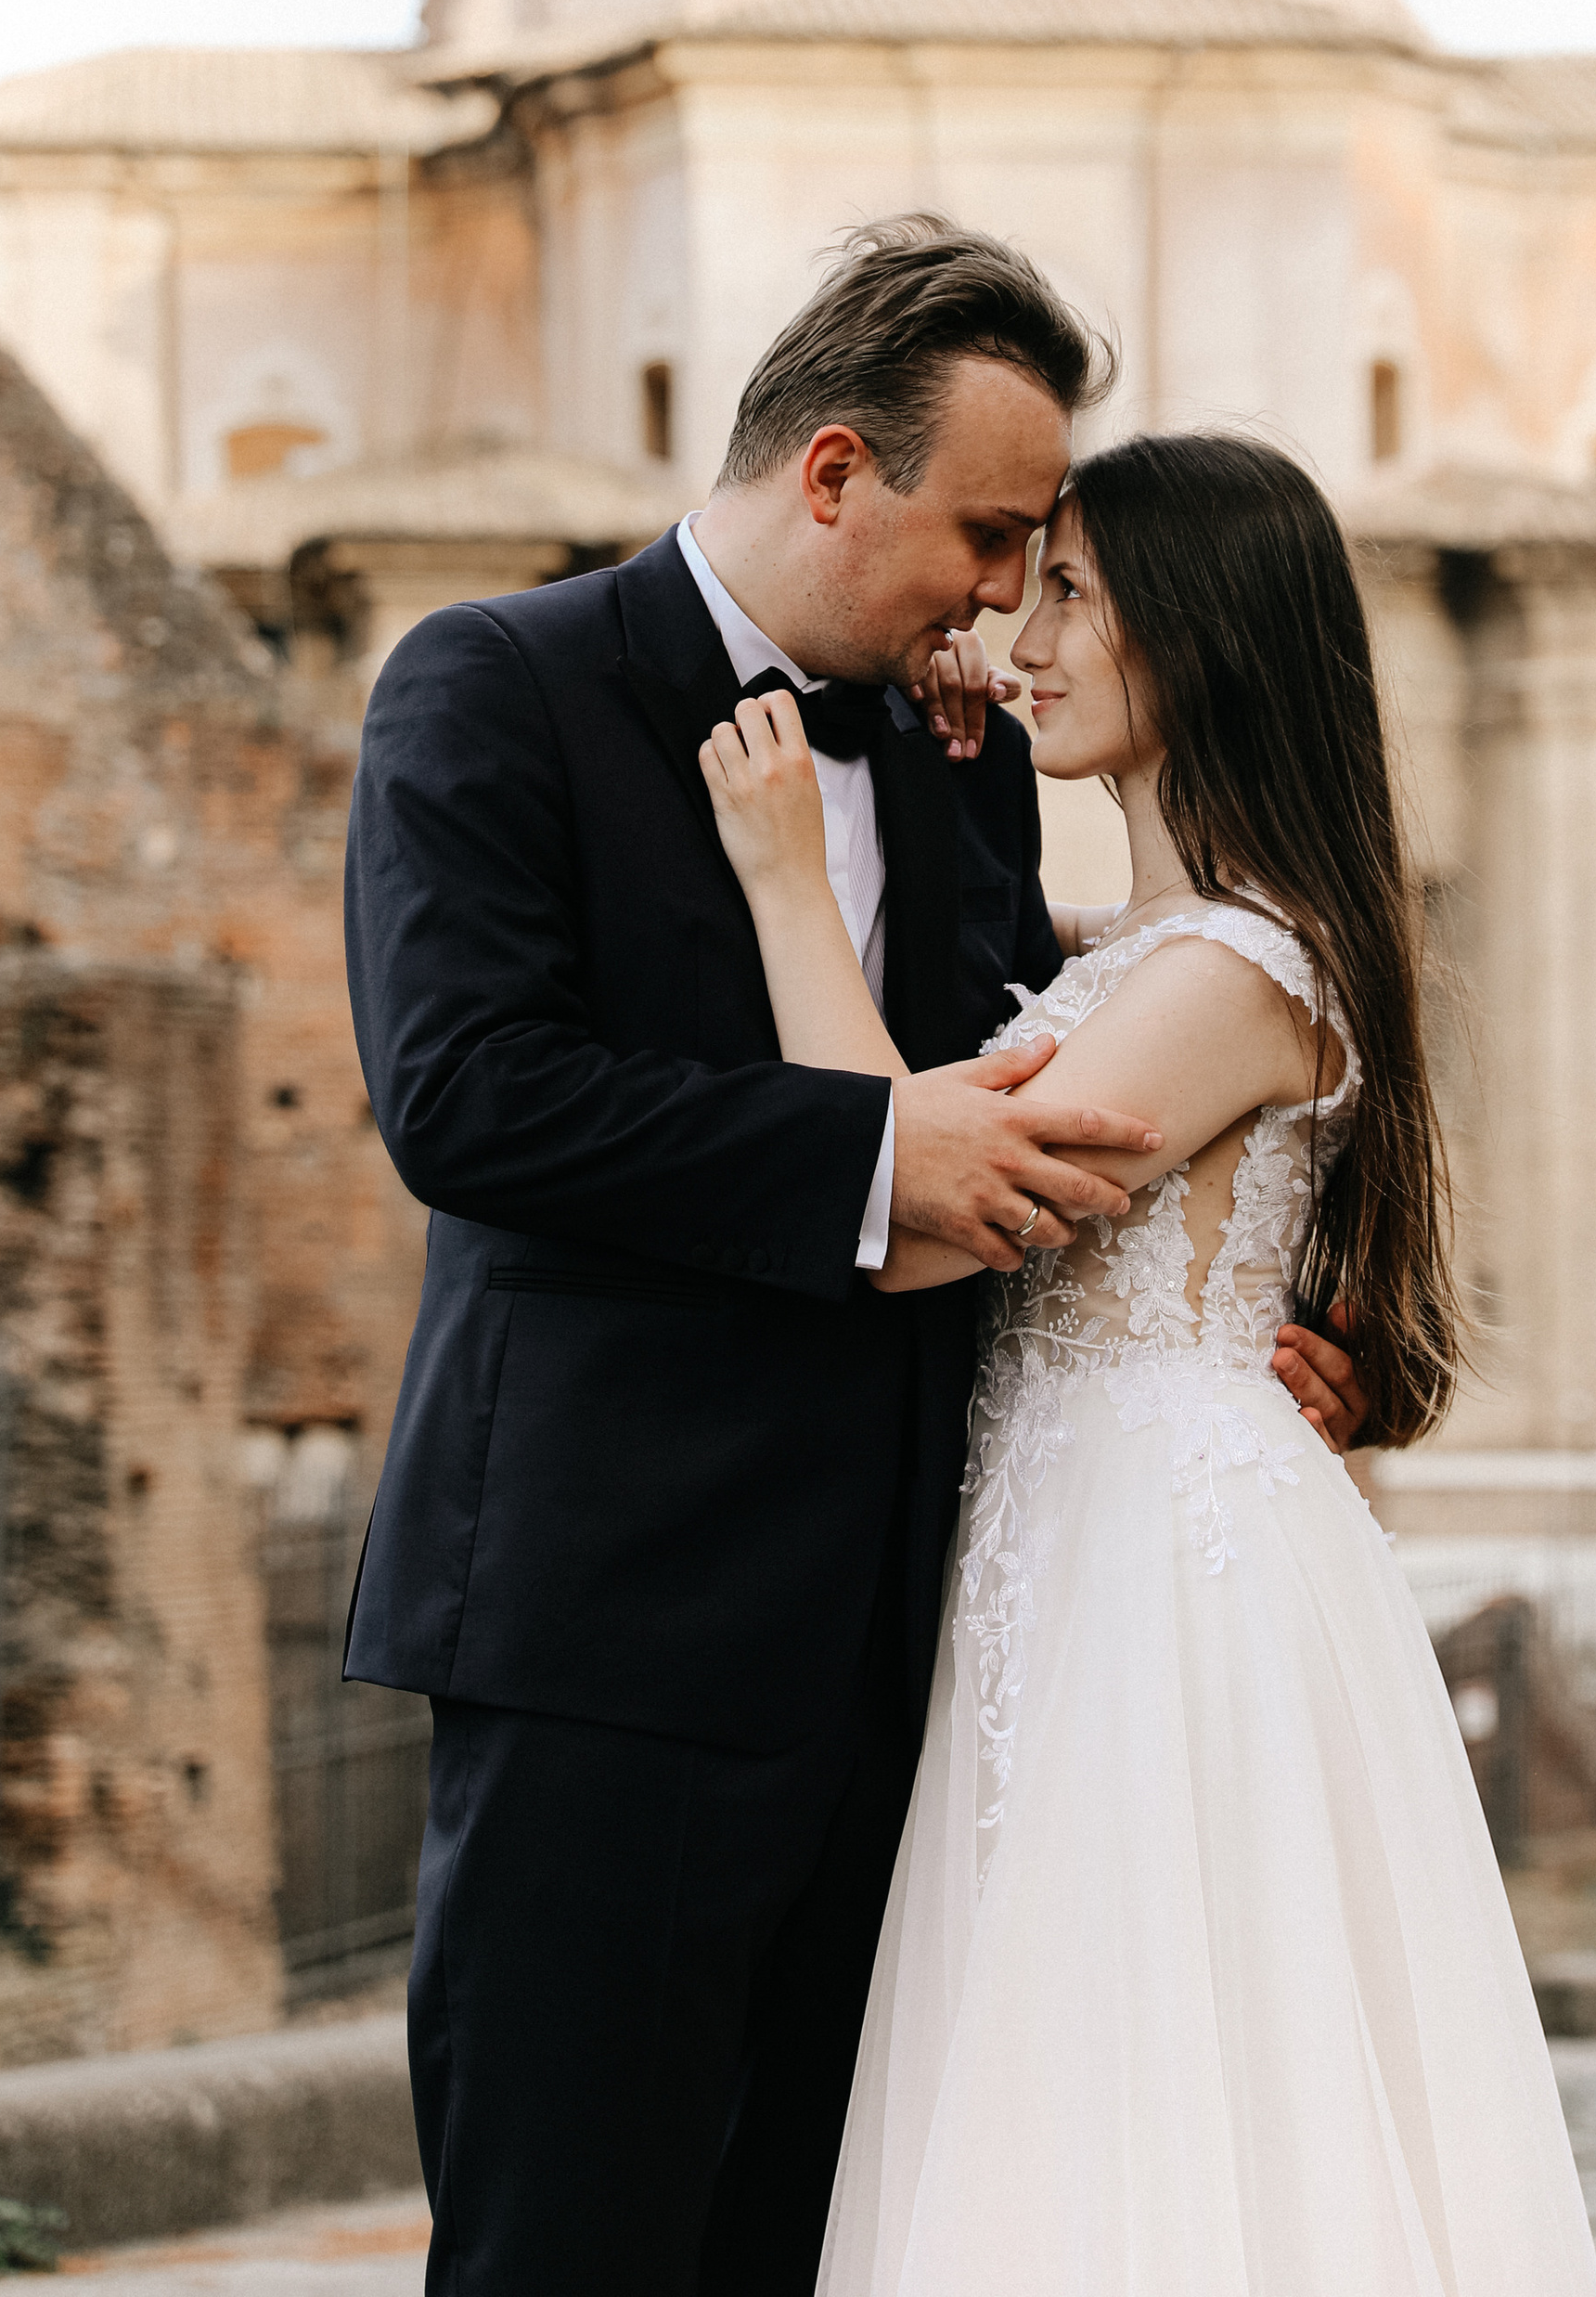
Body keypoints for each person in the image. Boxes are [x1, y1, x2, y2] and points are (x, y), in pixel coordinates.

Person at [341, 222, 1368, 2297]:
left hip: (932, 1653)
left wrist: (1250, 1343)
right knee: (568, 2242)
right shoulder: (497, 684)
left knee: (833, 2242)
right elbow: (466, 1095)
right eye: (990, 533)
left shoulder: (948, 750)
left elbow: (1098, 1085)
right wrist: (864, 1147)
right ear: (831, 474)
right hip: (614, 1633)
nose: (1006, 596)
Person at [700, 429, 1596, 2297]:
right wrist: (949, 788)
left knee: (1140, 2068)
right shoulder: (1144, 952)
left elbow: (931, 1215)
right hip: (1068, 1542)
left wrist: (787, 882)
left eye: (1071, 597)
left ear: (1197, 637)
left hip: (1154, 1577)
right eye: (1022, 588)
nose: (1019, 636)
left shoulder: (1239, 973)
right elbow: (1015, 987)